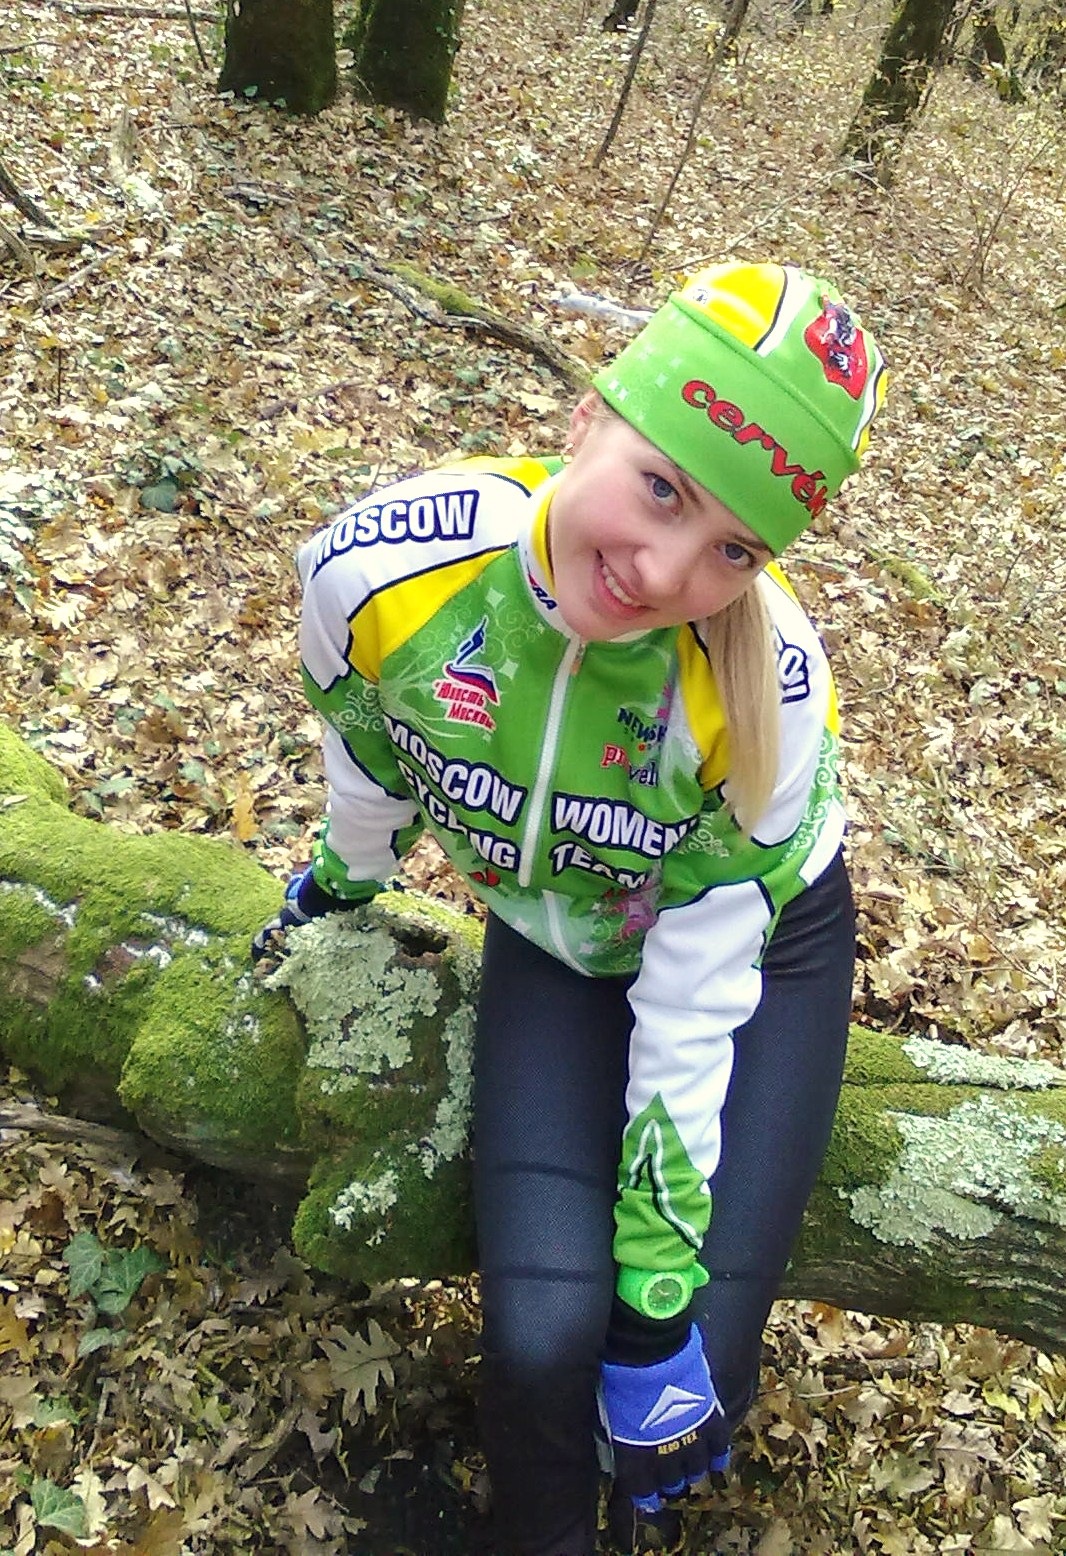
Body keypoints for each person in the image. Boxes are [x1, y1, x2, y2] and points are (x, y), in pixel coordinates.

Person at [252, 261, 887, 1556]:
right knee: (542, 1334)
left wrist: (655, 1295)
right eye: (662, 488)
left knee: (695, 1358)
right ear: (591, 411)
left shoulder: (763, 692)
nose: (664, 570)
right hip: (557, 930)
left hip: (752, 957)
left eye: (734, 550)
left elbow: (695, 999)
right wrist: (339, 883)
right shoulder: (382, 572)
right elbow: (372, 751)